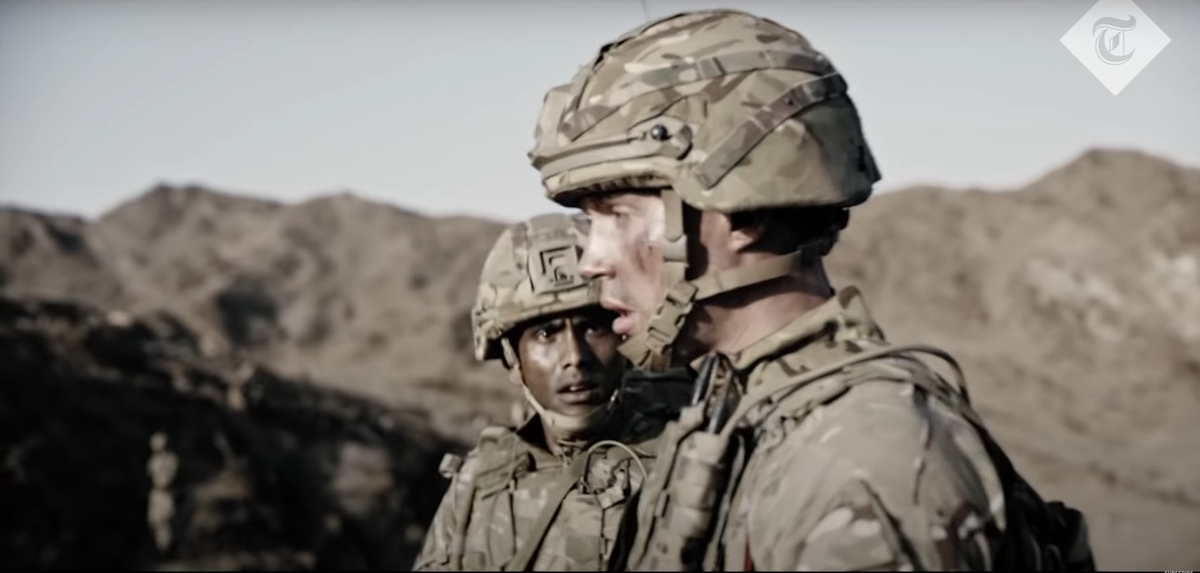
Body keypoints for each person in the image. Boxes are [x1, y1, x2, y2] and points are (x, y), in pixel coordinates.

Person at [525, 9, 1096, 571]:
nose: (591, 260)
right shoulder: (739, 404)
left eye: (618, 215)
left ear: (742, 211)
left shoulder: (864, 461)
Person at [412, 213, 691, 571]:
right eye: (546, 334)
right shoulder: (482, 483)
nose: (575, 357)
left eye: (592, 327)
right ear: (513, 359)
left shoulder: (687, 455)